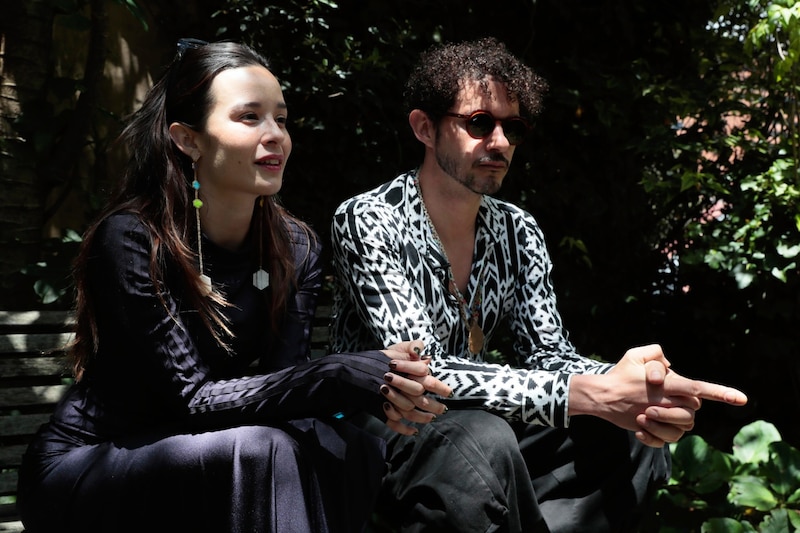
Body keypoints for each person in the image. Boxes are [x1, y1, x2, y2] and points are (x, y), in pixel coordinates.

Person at [16, 39, 451, 533]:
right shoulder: (135, 240)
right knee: (264, 449)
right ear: (189, 140)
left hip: (211, 455)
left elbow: (284, 386)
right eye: (250, 118)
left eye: (281, 120)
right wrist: (336, 373)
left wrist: (373, 386)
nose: (276, 137)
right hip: (95, 466)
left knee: (349, 443)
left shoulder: (295, 246)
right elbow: (192, 398)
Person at [330, 37, 748, 533]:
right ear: (424, 128)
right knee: (484, 439)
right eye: (480, 122)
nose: (501, 142)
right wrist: (591, 393)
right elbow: (425, 373)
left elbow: (548, 353)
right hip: (383, 429)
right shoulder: (368, 218)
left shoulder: (518, 230)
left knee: (629, 432)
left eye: (515, 127)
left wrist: (630, 385)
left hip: (476, 427)